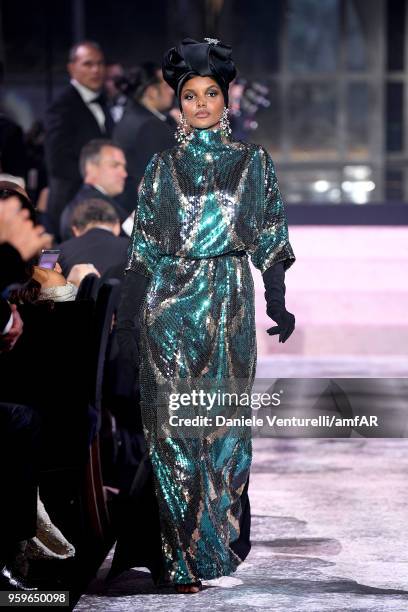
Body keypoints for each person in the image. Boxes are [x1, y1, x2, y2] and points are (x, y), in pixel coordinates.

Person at [111, 38, 296, 594]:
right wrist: (125, 323)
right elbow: (142, 249)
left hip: (230, 305)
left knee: (224, 438)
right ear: (179, 105)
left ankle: (209, 549)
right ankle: (177, 561)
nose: (201, 103)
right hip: (169, 307)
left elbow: (268, 234)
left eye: (210, 93)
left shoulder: (253, 162)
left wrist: (278, 299)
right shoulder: (162, 167)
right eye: (190, 95)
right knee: (175, 435)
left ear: (226, 100)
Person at [44, 41, 113, 237]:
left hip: (98, 202)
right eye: (88, 64)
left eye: (100, 64)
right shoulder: (61, 106)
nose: (96, 70)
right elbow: (56, 161)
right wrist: (96, 178)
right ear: (71, 67)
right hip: (70, 204)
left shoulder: (104, 101)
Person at [113, 62, 175, 213]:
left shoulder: (130, 116)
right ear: (152, 92)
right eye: (166, 86)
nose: (172, 91)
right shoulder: (151, 126)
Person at [59, 139, 128, 240]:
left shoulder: (83, 201)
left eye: (124, 167)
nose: (124, 174)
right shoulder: (93, 205)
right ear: (91, 168)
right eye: (115, 165)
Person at [58, 199, 129, 278]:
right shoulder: (136, 251)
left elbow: (43, 285)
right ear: (117, 226)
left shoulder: (53, 253)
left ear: (75, 230)